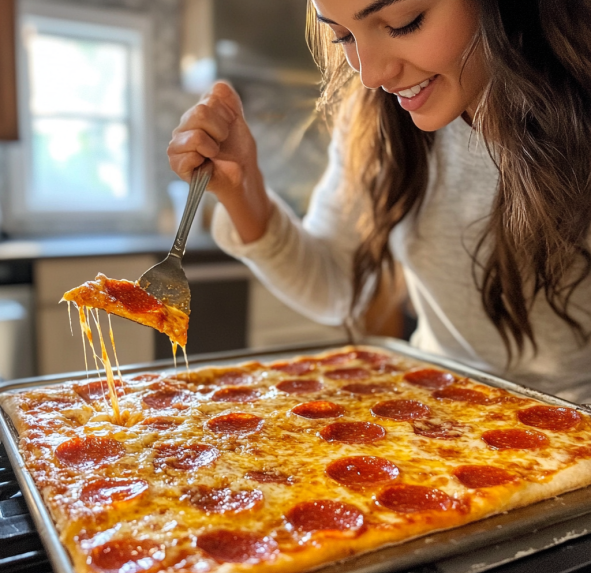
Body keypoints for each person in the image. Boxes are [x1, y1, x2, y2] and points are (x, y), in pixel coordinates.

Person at [168, 0, 591, 403]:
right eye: (343, 36)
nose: (370, 74)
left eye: (404, 22)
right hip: (439, 416)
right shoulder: (375, 116)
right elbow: (336, 283)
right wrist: (242, 187)